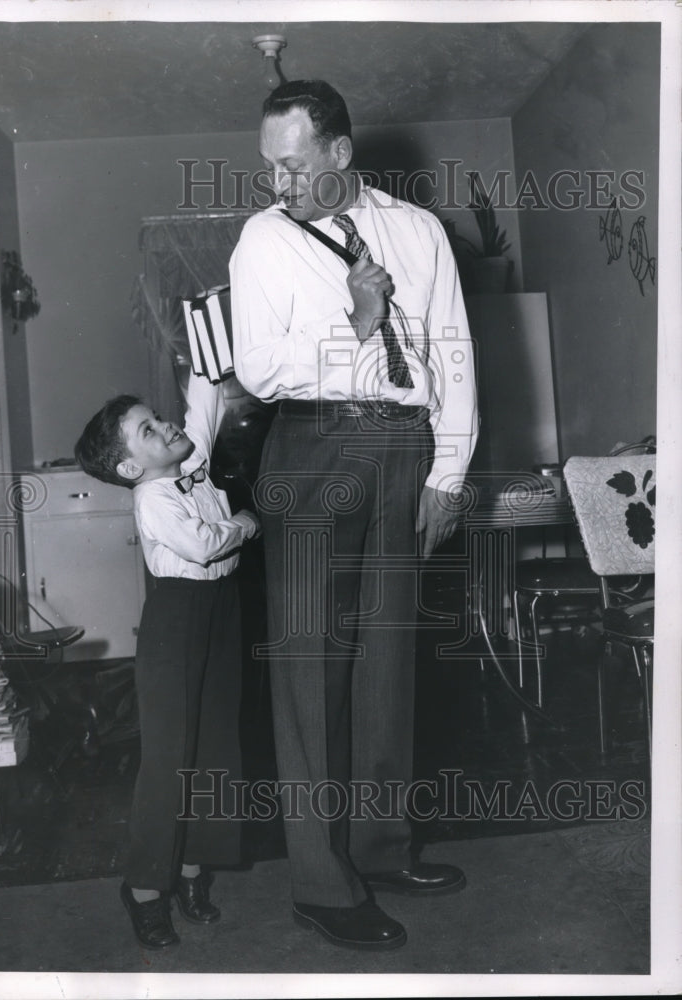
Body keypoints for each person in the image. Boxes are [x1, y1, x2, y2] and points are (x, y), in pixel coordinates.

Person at [229, 80, 478, 950]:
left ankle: (379, 848)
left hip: (404, 446)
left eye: (294, 166)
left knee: (387, 662)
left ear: (339, 152)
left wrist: (448, 471)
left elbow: (452, 348)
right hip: (311, 449)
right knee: (310, 671)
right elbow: (258, 368)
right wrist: (355, 322)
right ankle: (321, 883)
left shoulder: (416, 230)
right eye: (270, 168)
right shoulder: (263, 239)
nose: (280, 184)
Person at [74, 372, 260, 949]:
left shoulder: (188, 463)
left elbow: (202, 408)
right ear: (131, 467)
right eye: (148, 430)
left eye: (157, 417)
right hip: (176, 620)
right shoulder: (152, 497)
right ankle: (144, 888)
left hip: (222, 610)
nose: (165, 426)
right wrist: (244, 524)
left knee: (216, 744)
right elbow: (202, 545)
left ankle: (192, 868)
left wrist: (207, 359)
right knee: (169, 758)